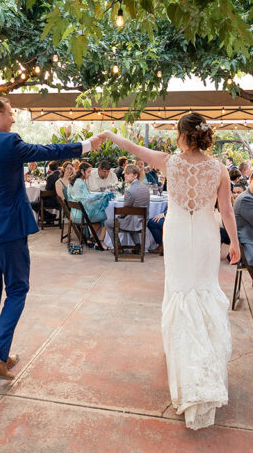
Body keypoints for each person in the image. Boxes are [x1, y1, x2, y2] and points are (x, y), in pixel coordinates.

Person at [100, 112, 239, 430]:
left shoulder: (168, 161)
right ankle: (205, 367)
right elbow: (226, 210)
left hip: (176, 233)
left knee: (180, 291)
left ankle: (187, 369)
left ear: (182, 135)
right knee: (203, 290)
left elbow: (132, 147)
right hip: (206, 232)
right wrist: (234, 243)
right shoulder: (218, 169)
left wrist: (108, 135)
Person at [0, 95, 100, 380]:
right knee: (18, 289)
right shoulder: (8, 143)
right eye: (10, 113)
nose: (13, 118)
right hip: (8, 232)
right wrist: (86, 145)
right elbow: (47, 150)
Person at [68, 162, 114, 245]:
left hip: (74, 213)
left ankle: (91, 238)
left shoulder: (76, 180)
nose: (90, 174)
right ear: (82, 171)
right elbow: (85, 199)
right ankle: (100, 241)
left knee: (99, 213)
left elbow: (85, 196)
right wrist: (102, 194)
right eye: (88, 172)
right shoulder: (79, 182)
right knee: (105, 216)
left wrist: (98, 196)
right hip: (79, 215)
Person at [117, 163, 150, 245]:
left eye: (128, 174)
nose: (125, 176)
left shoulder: (129, 191)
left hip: (134, 222)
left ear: (135, 176)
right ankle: (138, 245)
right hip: (144, 220)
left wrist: (119, 217)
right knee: (131, 216)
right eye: (125, 174)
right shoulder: (146, 188)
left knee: (108, 223)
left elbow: (125, 210)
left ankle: (118, 248)